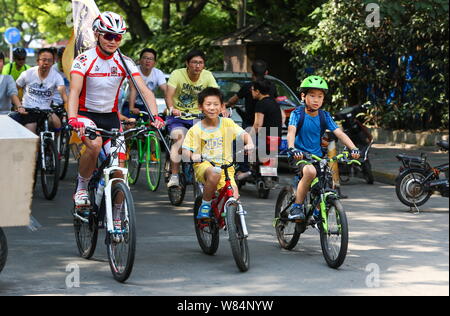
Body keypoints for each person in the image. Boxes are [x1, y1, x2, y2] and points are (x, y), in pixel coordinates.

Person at [68, 11, 164, 207]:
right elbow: (74, 92)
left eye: (117, 37)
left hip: (111, 118)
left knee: (120, 171)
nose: (113, 41)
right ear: (97, 34)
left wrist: (156, 116)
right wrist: (72, 117)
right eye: (108, 36)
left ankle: (119, 220)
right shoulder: (84, 60)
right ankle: (82, 186)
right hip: (86, 115)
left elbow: (145, 91)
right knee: (94, 146)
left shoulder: (125, 61)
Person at [287, 75, 360, 221]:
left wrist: (353, 148)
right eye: (312, 95)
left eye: (320, 96)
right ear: (303, 96)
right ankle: (297, 206)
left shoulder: (324, 116)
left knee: (328, 181)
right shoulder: (297, 114)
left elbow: (339, 133)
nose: (316, 100)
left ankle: (316, 214)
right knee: (310, 171)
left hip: (318, 156)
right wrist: (292, 148)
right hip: (300, 156)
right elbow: (291, 132)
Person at [182, 87, 254, 219]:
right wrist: (193, 156)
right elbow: (186, 151)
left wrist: (249, 143)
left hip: (227, 168)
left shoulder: (227, 123)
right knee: (215, 173)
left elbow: (244, 134)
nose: (212, 108)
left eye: (216, 104)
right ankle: (205, 204)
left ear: (222, 107)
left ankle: (236, 229)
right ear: (200, 107)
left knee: (235, 199)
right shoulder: (195, 129)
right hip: (205, 166)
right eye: (208, 104)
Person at [165, 49, 219, 188]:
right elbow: (169, 95)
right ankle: (175, 175)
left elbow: (215, 94)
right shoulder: (177, 74)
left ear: (204, 65)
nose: (197, 66)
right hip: (179, 116)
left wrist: (221, 110)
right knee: (179, 138)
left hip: (199, 116)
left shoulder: (207, 76)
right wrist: (172, 108)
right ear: (187, 64)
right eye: (194, 62)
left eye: (200, 63)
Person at [11, 48, 67, 134]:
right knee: (31, 132)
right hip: (29, 109)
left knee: (57, 124)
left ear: (53, 62)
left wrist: (71, 111)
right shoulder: (27, 73)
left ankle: (56, 145)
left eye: (50, 60)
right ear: (38, 61)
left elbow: (63, 95)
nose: (46, 63)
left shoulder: (57, 77)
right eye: (44, 60)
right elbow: (13, 91)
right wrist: (19, 106)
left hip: (46, 110)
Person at [225, 59, 277, 129]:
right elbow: (276, 101)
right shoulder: (272, 86)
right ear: (266, 72)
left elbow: (232, 101)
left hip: (250, 125)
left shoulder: (248, 87)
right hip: (269, 126)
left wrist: (225, 104)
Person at [128, 48, 167, 116]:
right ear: (140, 60)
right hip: (131, 103)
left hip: (147, 105)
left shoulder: (158, 73)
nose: (148, 61)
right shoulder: (134, 70)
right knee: (130, 122)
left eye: (150, 59)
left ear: (155, 63)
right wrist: (132, 108)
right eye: (145, 58)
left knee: (154, 123)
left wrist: (169, 107)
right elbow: (133, 90)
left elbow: (165, 90)